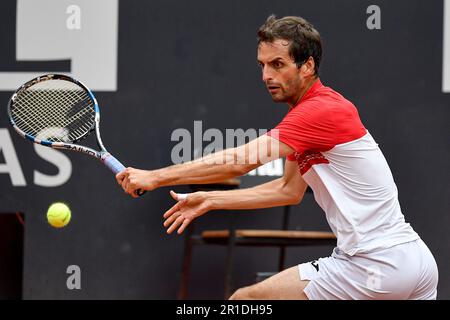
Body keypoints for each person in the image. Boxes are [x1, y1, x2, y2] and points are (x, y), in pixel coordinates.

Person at [116, 15, 438, 300]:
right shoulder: (314, 115)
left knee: (247, 300)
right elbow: (287, 190)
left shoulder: (319, 111)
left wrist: (155, 176)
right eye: (263, 65)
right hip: (414, 264)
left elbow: (242, 160)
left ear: (308, 65)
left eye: (278, 64)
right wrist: (211, 199)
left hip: (374, 264)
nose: (266, 75)